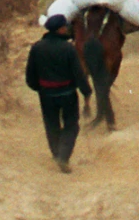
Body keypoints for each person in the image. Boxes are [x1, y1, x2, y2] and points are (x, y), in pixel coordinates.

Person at [25, 12, 91, 171]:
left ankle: (56, 153)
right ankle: (63, 156)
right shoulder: (68, 48)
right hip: (67, 93)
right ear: (60, 29)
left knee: (51, 124)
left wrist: (39, 88)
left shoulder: (37, 48)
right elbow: (78, 73)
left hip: (46, 94)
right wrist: (86, 91)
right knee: (71, 125)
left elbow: (30, 75)